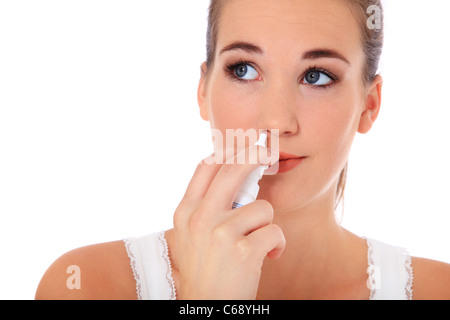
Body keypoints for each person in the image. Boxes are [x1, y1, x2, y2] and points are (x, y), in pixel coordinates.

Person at [35, 0, 450, 300]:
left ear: (369, 105)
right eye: (244, 70)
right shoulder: (87, 286)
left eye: (317, 76)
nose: (275, 121)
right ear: (203, 90)